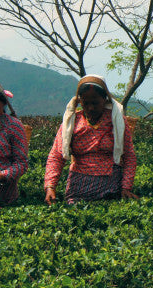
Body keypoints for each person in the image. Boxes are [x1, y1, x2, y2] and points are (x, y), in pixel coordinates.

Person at [44, 75, 138, 204]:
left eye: (95, 103)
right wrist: (50, 186)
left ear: (104, 99)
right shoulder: (72, 122)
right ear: (80, 101)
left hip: (111, 188)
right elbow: (56, 155)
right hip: (78, 188)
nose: (90, 108)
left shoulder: (116, 121)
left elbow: (129, 156)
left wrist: (126, 187)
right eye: (85, 103)